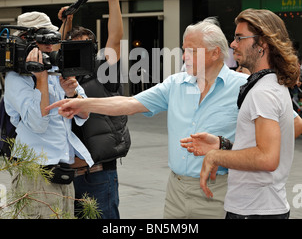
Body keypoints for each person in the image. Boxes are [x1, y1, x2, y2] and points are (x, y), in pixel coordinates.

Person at [46, 17, 249, 219]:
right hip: (176, 192)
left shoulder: (244, 88)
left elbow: (262, 147)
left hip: (220, 190)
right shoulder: (176, 84)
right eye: (183, 50)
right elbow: (130, 103)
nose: (184, 56)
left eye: (192, 51)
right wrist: (84, 103)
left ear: (215, 53)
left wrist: (223, 147)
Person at [184, 9, 300, 219]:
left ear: (262, 43)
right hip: (261, 208)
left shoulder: (262, 92)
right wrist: (224, 145)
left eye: (239, 38)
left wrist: (215, 155)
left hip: (254, 211)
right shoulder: (270, 85)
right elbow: (262, 147)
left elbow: (267, 158)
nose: (232, 44)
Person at [4, 11, 94, 219]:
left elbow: (86, 113)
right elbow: (38, 123)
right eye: (45, 40)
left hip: (63, 171)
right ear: (27, 40)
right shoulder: (16, 78)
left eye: (52, 40)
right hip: (35, 176)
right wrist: (41, 80)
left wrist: (72, 93)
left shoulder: (57, 67)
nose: (50, 47)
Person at [58, 0, 130, 219]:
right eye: (74, 48)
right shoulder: (64, 78)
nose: (81, 53)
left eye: (86, 47)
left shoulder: (104, 71)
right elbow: (58, 48)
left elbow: (116, 39)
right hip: (65, 178)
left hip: (98, 176)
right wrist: (67, 21)